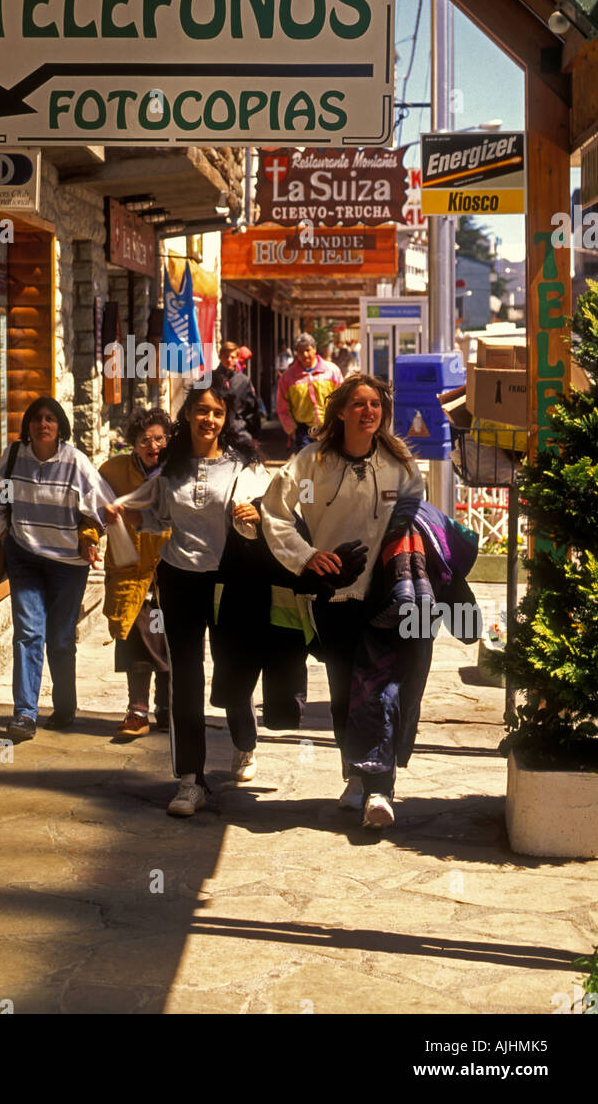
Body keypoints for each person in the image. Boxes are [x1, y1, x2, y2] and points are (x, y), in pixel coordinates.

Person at [260, 374, 425, 829]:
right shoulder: (313, 461)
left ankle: (380, 788)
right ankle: (354, 774)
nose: (368, 411)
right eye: (358, 404)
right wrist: (306, 556)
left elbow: (416, 519)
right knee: (342, 693)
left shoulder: (400, 465)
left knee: (382, 690)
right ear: (340, 412)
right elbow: (274, 511)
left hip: (386, 596)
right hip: (333, 594)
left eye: (375, 404)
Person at [105, 384, 270, 817]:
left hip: (228, 580)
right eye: (201, 411)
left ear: (225, 418)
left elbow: (274, 507)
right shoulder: (172, 468)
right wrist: (122, 513)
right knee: (185, 679)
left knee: (232, 669)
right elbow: (155, 516)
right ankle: (189, 780)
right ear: (189, 416)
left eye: (217, 412)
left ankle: (244, 744)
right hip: (179, 580)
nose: (208, 419)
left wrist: (258, 512)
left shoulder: (243, 466)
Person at [0, 396, 107, 743]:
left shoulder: (75, 463)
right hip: (24, 557)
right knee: (28, 632)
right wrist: (4, 531)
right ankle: (24, 714)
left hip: (67, 564)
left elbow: (101, 505)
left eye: (50, 418)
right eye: (37, 418)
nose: (43, 424)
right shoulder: (13, 458)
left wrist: (89, 536)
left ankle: (65, 706)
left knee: (59, 637)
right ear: (27, 425)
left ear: (60, 426)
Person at [80, 407, 173, 738]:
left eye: (160, 438)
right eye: (145, 440)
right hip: (131, 570)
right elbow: (93, 510)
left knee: (168, 639)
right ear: (133, 443)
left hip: (172, 571)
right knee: (137, 636)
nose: (153, 446)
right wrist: (89, 539)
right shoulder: (114, 471)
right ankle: (138, 711)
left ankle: (168, 708)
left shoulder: (179, 472)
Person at [276, 333, 343, 450]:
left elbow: (343, 398)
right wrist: (291, 429)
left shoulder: (332, 371)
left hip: (330, 426)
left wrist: (340, 423)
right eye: (300, 351)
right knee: (306, 466)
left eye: (308, 350)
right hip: (303, 431)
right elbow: (282, 407)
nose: (305, 354)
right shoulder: (287, 377)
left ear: (315, 349)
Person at [213, 341, 261, 447]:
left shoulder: (244, 381)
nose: (229, 360)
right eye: (226, 356)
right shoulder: (210, 379)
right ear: (220, 356)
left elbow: (252, 411)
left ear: (237, 358)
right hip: (215, 432)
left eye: (232, 357)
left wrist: (255, 436)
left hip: (238, 432)